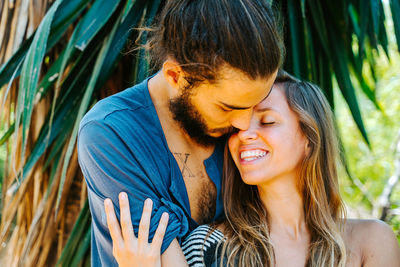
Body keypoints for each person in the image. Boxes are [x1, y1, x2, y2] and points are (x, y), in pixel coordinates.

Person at [104, 72, 400, 266]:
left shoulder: (371, 241)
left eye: (267, 121)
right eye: (238, 125)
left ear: (309, 141)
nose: (244, 133)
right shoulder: (208, 246)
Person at [77, 0, 283, 266]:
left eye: (257, 103)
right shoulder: (111, 133)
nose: (245, 125)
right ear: (175, 75)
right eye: (226, 107)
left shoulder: (247, 95)